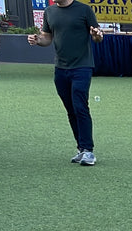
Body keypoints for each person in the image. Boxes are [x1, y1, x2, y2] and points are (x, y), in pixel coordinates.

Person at [27, 0, 104, 167]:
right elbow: (47, 37)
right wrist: (38, 39)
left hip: (82, 66)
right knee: (70, 109)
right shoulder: (50, 12)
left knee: (80, 106)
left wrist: (97, 35)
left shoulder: (84, 10)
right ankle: (81, 148)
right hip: (60, 68)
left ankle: (88, 150)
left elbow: (98, 36)